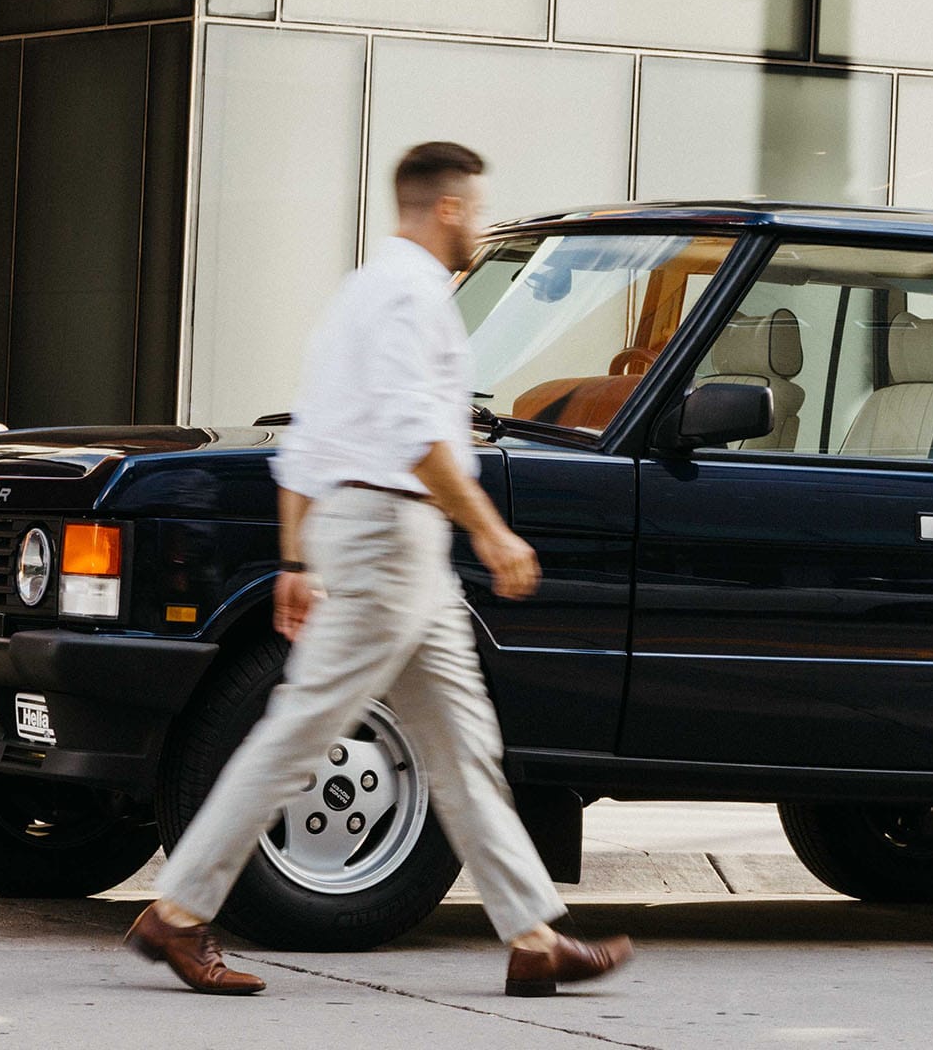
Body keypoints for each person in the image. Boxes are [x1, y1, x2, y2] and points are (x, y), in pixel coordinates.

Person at [126, 141, 632, 998]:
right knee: (303, 726)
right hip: (391, 535)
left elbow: (307, 442)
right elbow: (414, 439)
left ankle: (534, 935)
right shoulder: (409, 298)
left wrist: (295, 557)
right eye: (473, 206)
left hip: (390, 539)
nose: (477, 221)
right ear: (446, 208)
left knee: (464, 744)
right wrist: (495, 534)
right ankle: (176, 912)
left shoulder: (361, 296)